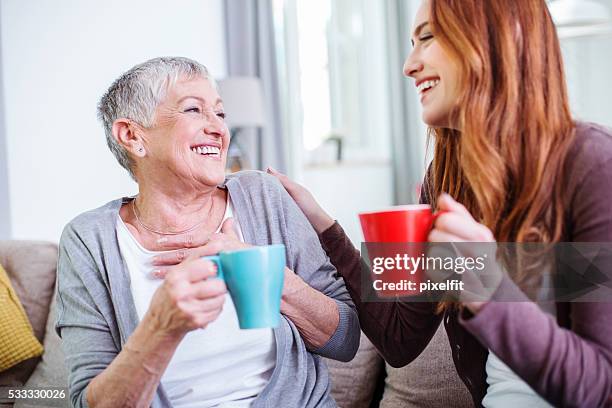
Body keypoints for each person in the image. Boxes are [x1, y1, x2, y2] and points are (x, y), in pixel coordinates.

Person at [268, 0, 612, 406]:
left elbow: (601, 388)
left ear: (497, 39)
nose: (409, 66)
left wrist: (488, 288)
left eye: (427, 38)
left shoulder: (591, 164)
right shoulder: (449, 181)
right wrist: (324, 225)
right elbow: (400, 339)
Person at [55, 57, 360, 408]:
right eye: (193, 110)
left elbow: (345, 340)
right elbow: (89, 403)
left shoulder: (263, 196)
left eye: (220, 114)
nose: (218, 128)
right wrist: (161, 326)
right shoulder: (89, 240)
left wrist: (268, 275)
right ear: (132, 136)